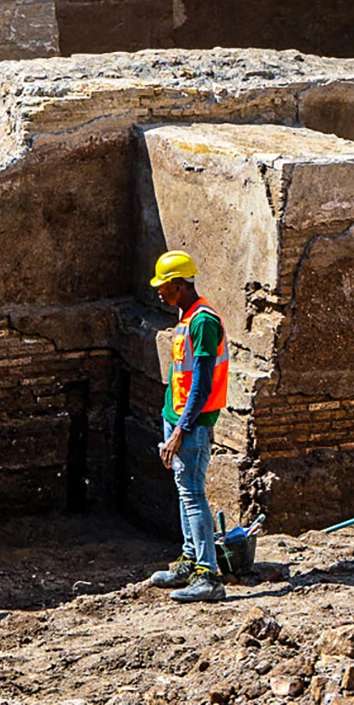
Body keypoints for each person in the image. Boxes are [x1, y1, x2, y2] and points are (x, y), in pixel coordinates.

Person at [147, 250, 230, 603]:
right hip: (177, 417)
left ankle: (207, 575)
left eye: (163, 287)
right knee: (184, 491)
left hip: (190, 423)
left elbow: (202, 382)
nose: (159, 293)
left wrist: (182, 429)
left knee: (193, 492)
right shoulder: (188, 316)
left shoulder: (203, 321)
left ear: (179, 286)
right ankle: (190, 559)